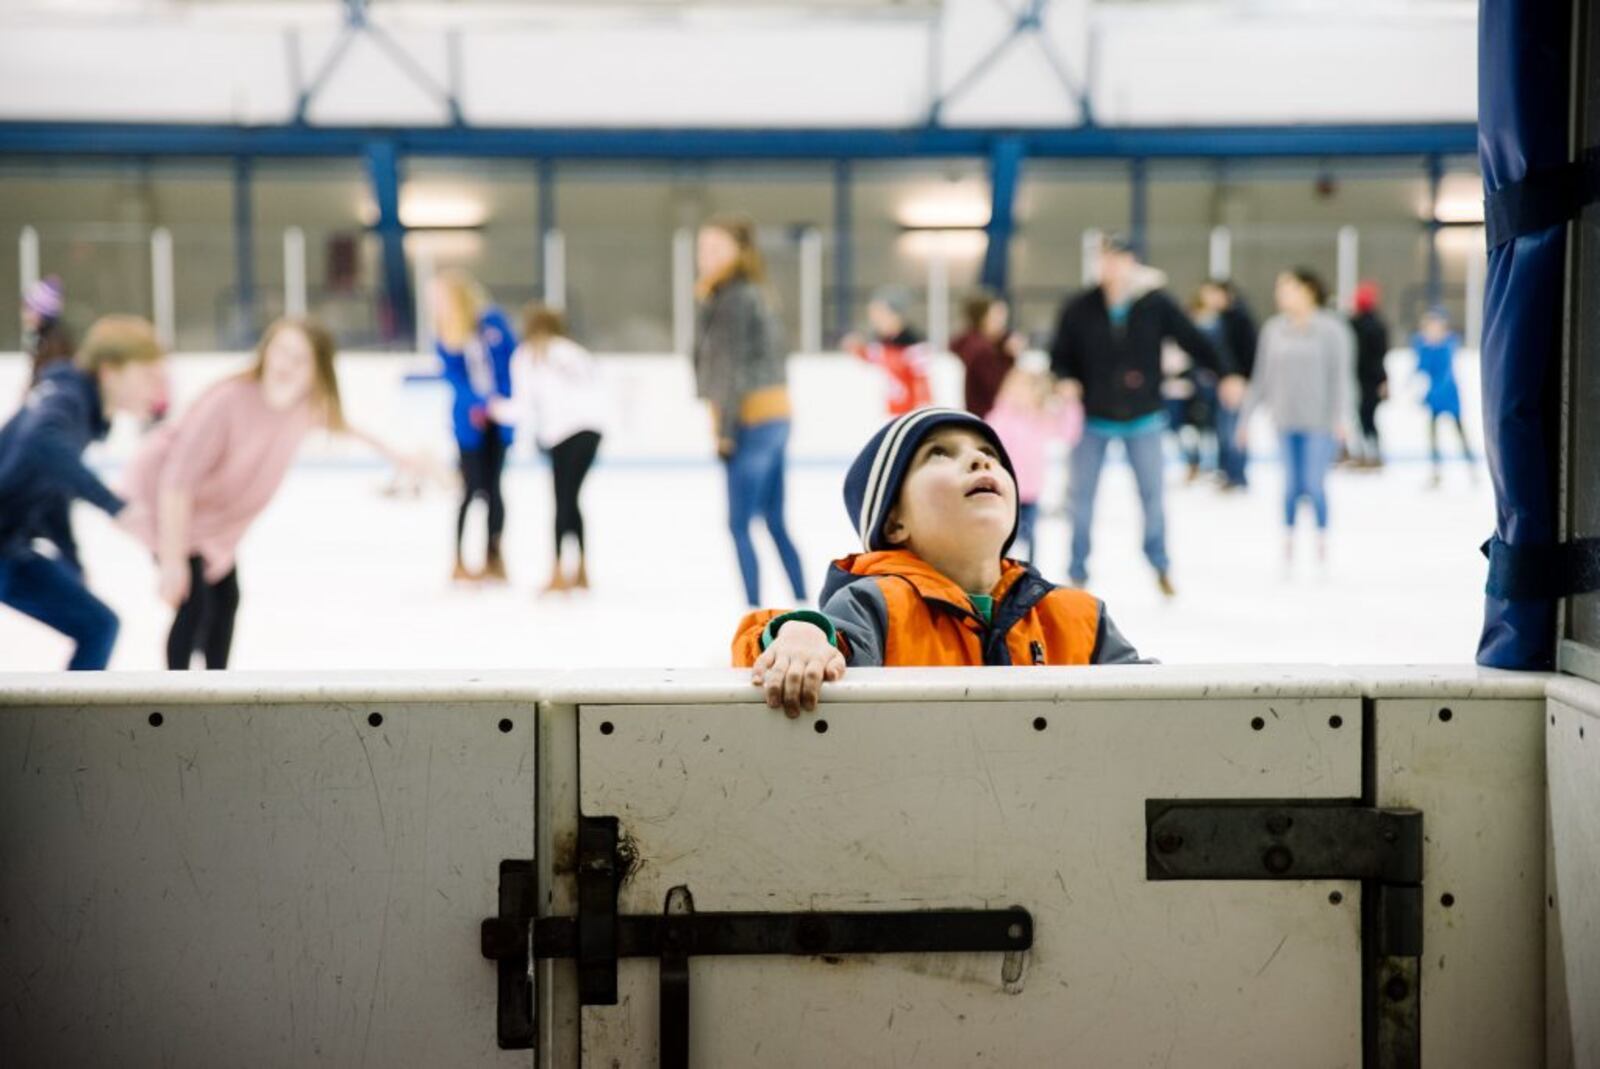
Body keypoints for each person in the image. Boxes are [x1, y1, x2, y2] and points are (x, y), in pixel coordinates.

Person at [731, 407, 1145, 716]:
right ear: (894, 523)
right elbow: (820, 647)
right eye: (939, 454)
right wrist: (799, 635)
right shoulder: (878, 606)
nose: (981, 461)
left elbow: (1160, 705)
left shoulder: (1077, 617)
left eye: (989, 453)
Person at [121, 317, 417, 670]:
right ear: (265, 352)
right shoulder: (228, 401)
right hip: (166, 502)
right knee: (193, 602)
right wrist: (170, 560)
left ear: (317, 369)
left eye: (299, 358)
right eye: (280, 352)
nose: (285, 365)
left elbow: (349, 426)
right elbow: (176, 481)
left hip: (212, 514)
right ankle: (173, 702)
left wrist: (401, 456)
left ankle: (215, 691)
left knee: (227, 600)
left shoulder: (306, 406)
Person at [1049, 236, 1242, 596]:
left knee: (1153, 498)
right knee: (1081, 500)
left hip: (1144, 418)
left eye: (1120, 260)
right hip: (1093, 419)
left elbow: (1194, 340)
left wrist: (1226, 372)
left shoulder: (1155, 305)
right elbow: (1060, 355)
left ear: (1132, 263)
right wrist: (1065, 380)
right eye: (1106, 260)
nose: (1112, 268)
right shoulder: (1079, 308)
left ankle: (1160, 565)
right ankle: (1077, 570)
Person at [0, 315, 168, 670]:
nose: (156, 389)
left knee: (99, 625)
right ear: (109, 371)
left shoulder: (77, 410)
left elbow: (48, 490)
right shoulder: (68, 396)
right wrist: (113, 505)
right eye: (147, 376)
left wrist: (71, 558)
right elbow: (39, 444)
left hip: (9, 549)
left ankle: (71, 721)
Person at [692, 213, 807, 609]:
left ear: (739, 253)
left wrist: (725, 429)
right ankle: (803, 601)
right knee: (774, 520)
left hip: (749, 420)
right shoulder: (756, 291)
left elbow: (730, 366)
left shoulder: (733, 296)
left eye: (714, 249)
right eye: (701, 248)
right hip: (776, 415)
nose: (704, 256)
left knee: (738, 523)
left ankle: (754, 613)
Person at [1237, 268, 1354, 567]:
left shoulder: (1331, 330)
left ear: (1307, 290)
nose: (1280, 294)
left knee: (1313, 484)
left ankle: (1321, 542)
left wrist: (1343, 418)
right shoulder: (1273, 330)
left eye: (1287, 288)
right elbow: (1260, 377)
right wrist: (1245, 420)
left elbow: (1341, 377)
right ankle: (1288, 543)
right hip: (1284, 420)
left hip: (1320, 422)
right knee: (1290, 486)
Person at [490, 304, 608, 594]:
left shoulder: (529, 355)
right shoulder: (574, 352)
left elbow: (522, 406)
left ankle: (557, 571)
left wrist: (493, 409)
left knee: (562, 500)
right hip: (592, 431)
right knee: (573, 499)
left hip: (562, 434)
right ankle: (581, 570)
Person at [432, 270, 517, 583]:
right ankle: (458, 560)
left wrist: (502, 402)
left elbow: (512, 361)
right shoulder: (445, 333)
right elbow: (454, 377)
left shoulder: (493, 322)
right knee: (469, 488)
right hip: (469, 422)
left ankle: (494, 557)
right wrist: (480, 404)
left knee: (494, 488)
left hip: (500, 418)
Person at [985, 354, 1083, 563]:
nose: (1022, 395)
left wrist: (1071, 403)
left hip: (1031, 492)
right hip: (1005, 491)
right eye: (1017, 389)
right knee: (1005, 539)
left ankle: (1028, 578)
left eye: (1028, 389)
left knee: (1029, 542)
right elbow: (988, 443)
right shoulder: (1001, 417)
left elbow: (1068, 434)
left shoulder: (1041, 419)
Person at [1196, 279, 1257, 489]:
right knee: (1222, 429)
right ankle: (1226, 471)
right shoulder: (1218, 319)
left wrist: (1241, 379)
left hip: (1237, 383)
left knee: (1232, 430)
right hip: (1221, 382)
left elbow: (1249, 352)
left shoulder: (1239, 319)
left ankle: (1237, 475)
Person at [1411, 307, 1476, 487]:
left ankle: (1472, 468)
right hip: (1433, 400)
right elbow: (1421, 369)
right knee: (1433, 436)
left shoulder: (1447, 347)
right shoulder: (1425, 348)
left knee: (1460, 434)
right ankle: (1436, 471)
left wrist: (1431, 393)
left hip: (1449, 397)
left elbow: (1445, 376)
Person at [846, 287, 932, 417]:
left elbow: (922, 383)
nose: (874, 319)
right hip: (893, 413)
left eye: (879, 313)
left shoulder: (913, 345)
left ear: (894, 314)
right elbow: (869, 356)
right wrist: (855, 348)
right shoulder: (884, 342)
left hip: (910, 415)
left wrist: (921, 415)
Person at [950, 291, 1023, 416]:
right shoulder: (982, 351)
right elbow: (1001, 391)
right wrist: (1010, 357)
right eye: (997, 316)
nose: (1002, 323)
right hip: (985, 416)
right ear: (982, 317)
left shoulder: (965, 342)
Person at [22, 276, 74, 389]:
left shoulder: (54, 346)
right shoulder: (42, 341)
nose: (24, 315)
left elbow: (51, 387)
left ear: (43, 313)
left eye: (29, 309)